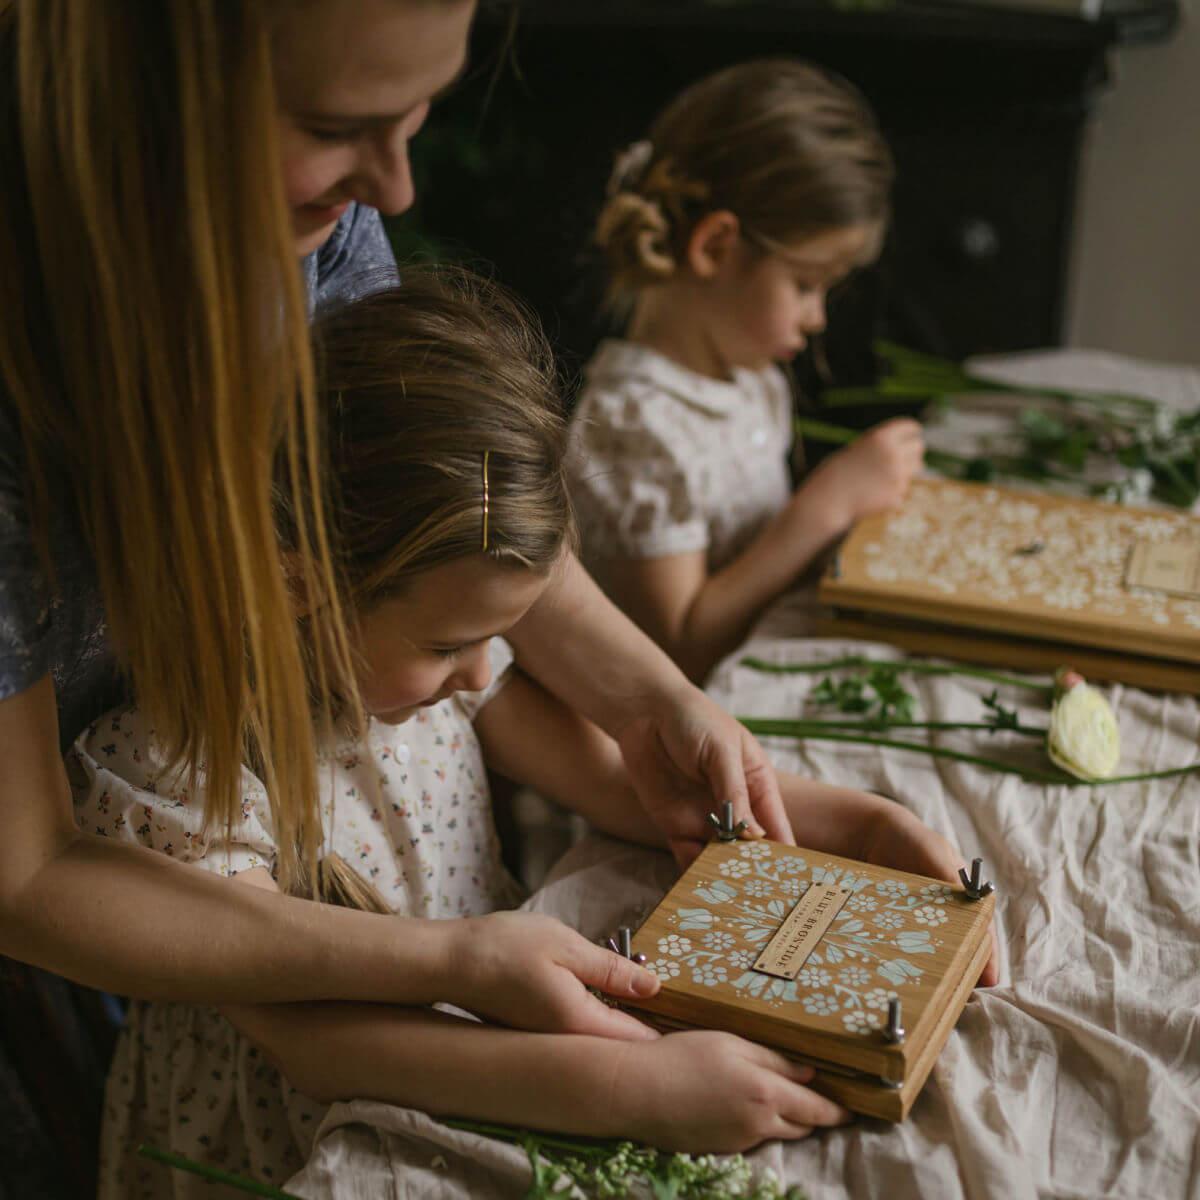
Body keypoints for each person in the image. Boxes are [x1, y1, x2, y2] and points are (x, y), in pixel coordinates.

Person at [0, 6, 797, 1154]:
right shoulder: (168, 769)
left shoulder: (319, 221)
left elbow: (444, 531)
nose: (397, 188)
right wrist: (472, 972)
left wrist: (658, 704)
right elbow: (29, 876)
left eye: (417, 118)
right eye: (337, 126)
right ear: (140, 98)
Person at [71, 272, 992, 1194]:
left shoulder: (428, 681)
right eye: (449, 644)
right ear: (296, 584)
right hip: (293, 1152)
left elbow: (621, 787)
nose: (483, 672)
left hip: (488, 1062)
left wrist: (860, 825)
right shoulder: (174, 771)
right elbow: (317, 1046)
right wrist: (633, 1087)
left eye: (497, 636)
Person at [568, 60, 926, 683]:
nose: (817, 318)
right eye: (806, 285)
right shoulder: (632, 428)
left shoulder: (750, 378)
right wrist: (824, 507)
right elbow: (680, 649)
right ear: (715, 248)